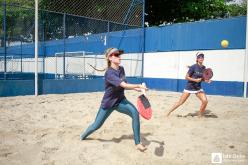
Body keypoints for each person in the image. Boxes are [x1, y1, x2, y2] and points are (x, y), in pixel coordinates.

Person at [80, 48, 148, 151]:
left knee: (135, 113)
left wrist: (137, 89)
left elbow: (125, 84)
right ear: (110, 58)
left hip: (120, 101)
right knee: (96, 125)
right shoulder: (109, 73)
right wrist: (139, 84)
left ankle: (137, 143)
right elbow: (124, 85)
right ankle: (82, 136)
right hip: (108, 104)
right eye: (116, 55)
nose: (119, 57)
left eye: (119, 54)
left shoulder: (121, 69)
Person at [166, 52, 212, 117]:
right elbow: (186, 77)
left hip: (198, 88)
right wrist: (195, 80)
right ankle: (168, 112)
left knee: (205, 101)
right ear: (197, 59)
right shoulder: (193, 67)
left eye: (202, 57)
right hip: (190, 87)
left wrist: (207, 80)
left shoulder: (204, 68)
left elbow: (202, 78)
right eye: (199, 57)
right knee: (180, 102)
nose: (201, 58)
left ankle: (200, 115)